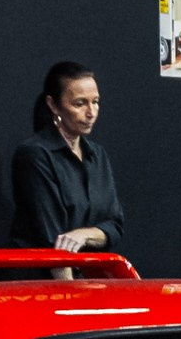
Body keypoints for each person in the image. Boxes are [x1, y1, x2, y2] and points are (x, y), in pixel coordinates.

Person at [11, 59, 124, 255]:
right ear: (53, 105)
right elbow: (53, 241)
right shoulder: (35, 154)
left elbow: (115, 225)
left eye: (95, 102)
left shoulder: (97, 155)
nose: (91, 113)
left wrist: (84, 234)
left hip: (87, 277)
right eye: (80, 104)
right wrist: (69, 285)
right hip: (43, 279)